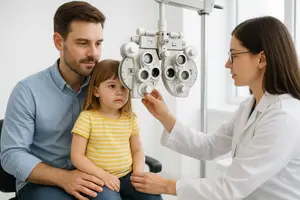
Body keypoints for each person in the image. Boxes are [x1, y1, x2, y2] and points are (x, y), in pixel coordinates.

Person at [130, 16, 300, 200]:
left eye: (233, 56)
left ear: (262, 58)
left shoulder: (284, 117)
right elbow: (209, 146)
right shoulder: (250, 105)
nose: (227, 64)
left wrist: (165, 185)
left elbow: (229, 188)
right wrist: (164, 116)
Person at [1, 1, 106, 200]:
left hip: (91, 177)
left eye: (98, 43)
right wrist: (64, 178)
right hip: (41, 183)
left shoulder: (105, 88)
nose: (94, 53)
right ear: (59, 42)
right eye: (83, 43)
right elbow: (11, 154)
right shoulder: (27, 91)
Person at [70, 59, 163, 200]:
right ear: (96, 91)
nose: (119, 92)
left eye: (124, 87)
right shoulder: (87, 118)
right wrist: (103, 176)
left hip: (127, 176)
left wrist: (138, 174)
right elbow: (77, 157)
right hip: (98, 178)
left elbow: (137, 150)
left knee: (152, 195)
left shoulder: (130, 118)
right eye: (112, 86)